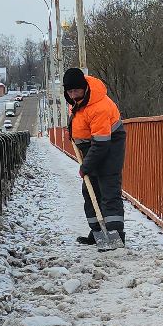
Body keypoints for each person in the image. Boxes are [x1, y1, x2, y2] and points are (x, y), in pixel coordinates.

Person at [63, 67, 125, 249]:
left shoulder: (99, 107)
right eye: (70, 91)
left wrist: (86, 166)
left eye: (76, 90)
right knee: (90, 191)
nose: (73, 95)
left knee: (108, 192)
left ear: (84, 88)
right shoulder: (77, 101)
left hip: (109, 147)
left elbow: (102, 144)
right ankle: (98, 234)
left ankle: (115, 239)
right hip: (92, 148)